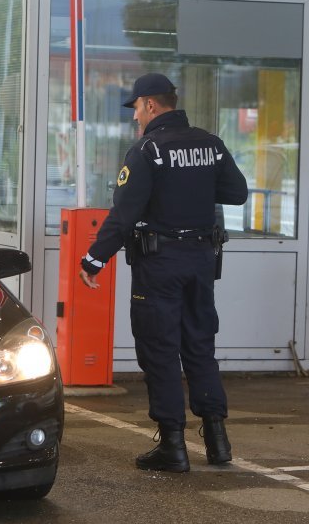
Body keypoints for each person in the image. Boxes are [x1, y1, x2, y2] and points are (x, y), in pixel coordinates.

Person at [78, 73, 248, 473]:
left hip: (160, 265)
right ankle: (218, 440)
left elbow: (123, 216)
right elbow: (237, 192)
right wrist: (194, 186)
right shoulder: (211, 144)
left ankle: (173, 446)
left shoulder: (147, 150)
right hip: (202, 262)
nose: (135, 116)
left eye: (136, 108)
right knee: (200, 346)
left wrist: (94, 260)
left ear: (151, 105)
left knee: (160, 350)